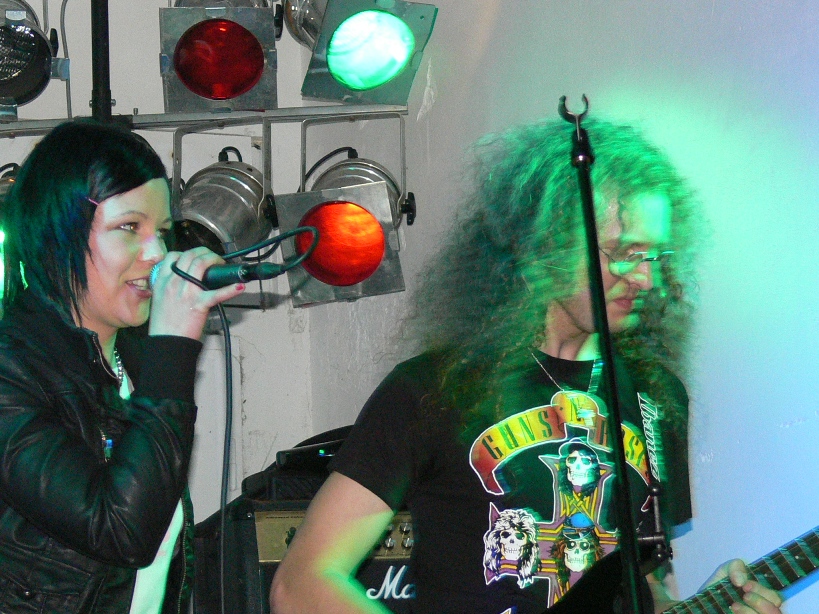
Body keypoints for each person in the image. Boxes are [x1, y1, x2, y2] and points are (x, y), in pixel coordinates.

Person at [269, 118, 783, 614]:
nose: (647, 279)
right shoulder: (433, 389)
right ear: (545, 247)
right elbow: (303, 584)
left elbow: (642, 584)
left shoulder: (655, 397)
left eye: (655, 257)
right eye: (624, 253)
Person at [0, 120, 245, 612]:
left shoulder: (134, 362)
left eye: (163, 232)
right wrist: (173, 349)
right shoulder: (12, 371)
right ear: (58, 232)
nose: (157, 254)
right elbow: (120, 532)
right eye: (130, 228)